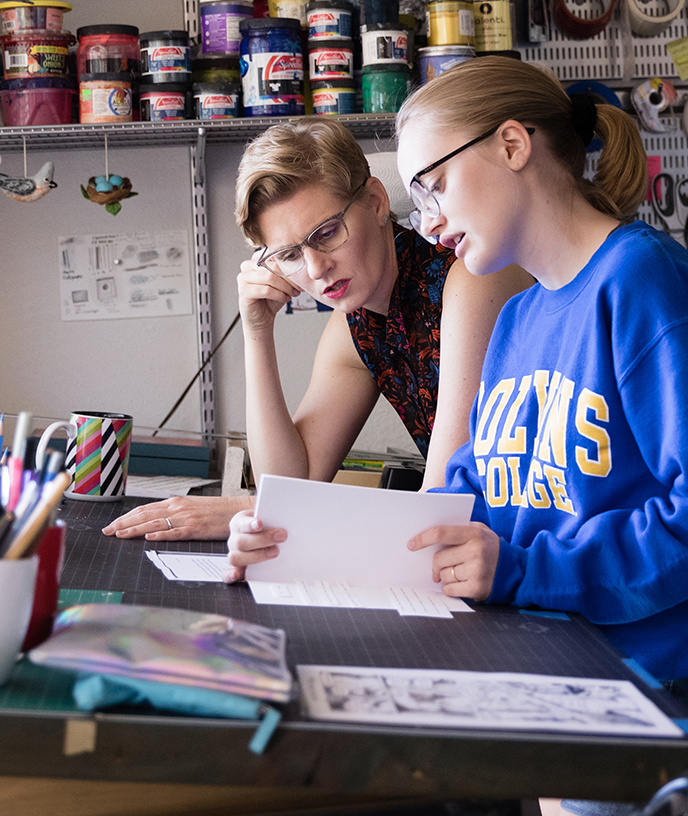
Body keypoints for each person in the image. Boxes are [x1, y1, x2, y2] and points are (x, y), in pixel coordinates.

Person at [229, 58, 688, 806]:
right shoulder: (520, 318)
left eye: (435, 184)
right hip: (567, 669)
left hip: (661, 678)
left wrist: (523, 570)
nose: (426, 220)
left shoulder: (642, 286)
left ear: (513, 143)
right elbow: (460, 502)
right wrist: (290, 540)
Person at [103, 119, 527, 542]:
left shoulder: (469, 279)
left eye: (326, 233)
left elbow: (439, 506)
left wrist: (245, 511)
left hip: (535, 548)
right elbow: (293, 482)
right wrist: (257, 331)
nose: (314, 269)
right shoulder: (356, 323)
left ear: (377, 201)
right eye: (289, 255)